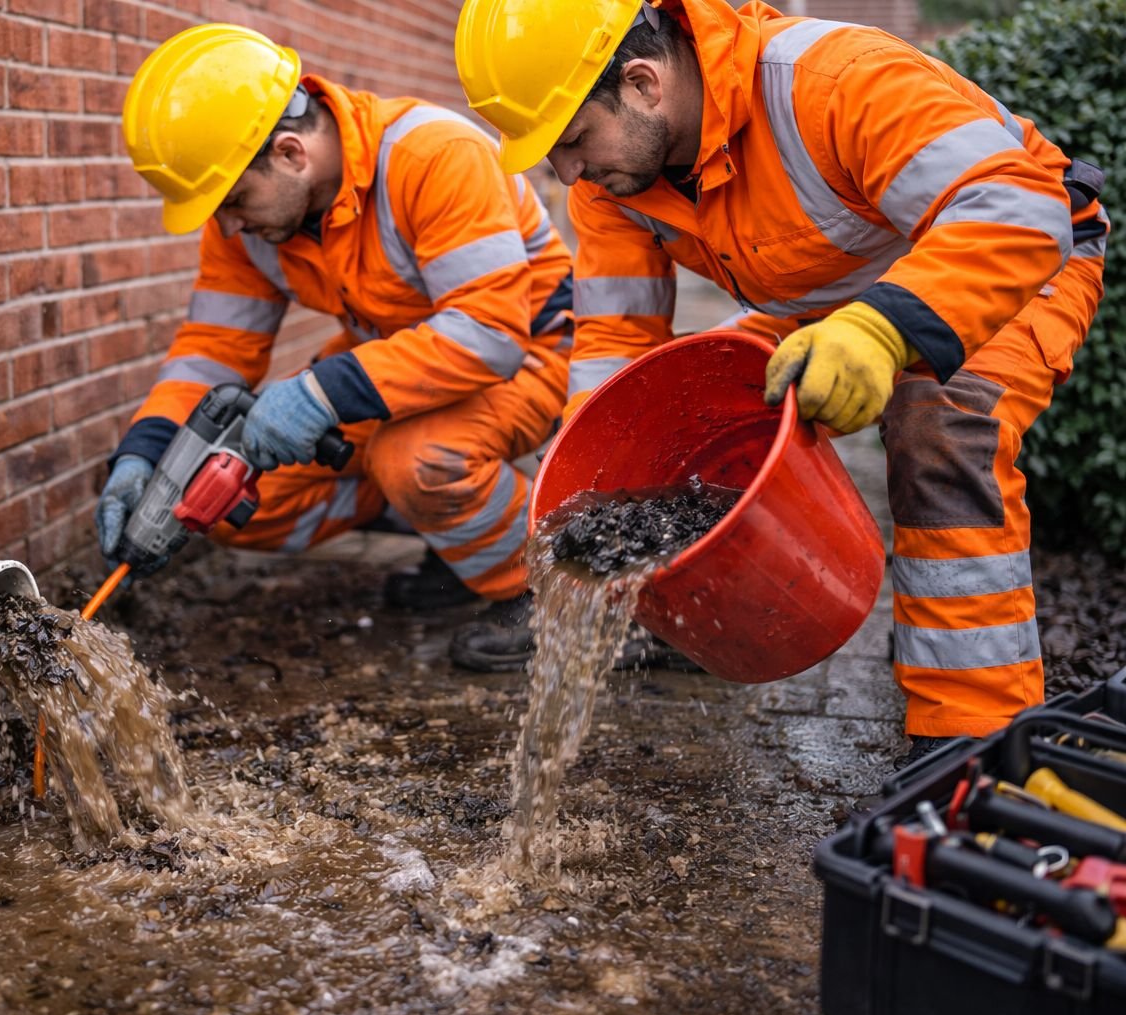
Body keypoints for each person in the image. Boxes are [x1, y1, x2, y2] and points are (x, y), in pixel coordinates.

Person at [455, 0, 1108, 764]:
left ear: (643, 82)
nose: (567, 173)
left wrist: (881, 330)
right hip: (828, 300)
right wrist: (594, 486)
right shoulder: (613, 184)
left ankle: (970, 746)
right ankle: (698, 609)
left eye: (571, 141)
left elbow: (1019, 205)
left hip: (1017, 258)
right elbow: (616, 340)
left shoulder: (833, 81)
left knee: (937, 433)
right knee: (702, 398)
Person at [99, 24, 576, 671]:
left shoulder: (433, 154)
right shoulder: (247, 223)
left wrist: (322, 394)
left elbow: (489, 334)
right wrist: (147, 451)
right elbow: (213, 349)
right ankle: (455, 534)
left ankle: (555, 594)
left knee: (417, 459)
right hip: (393, 366)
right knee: (233, 499)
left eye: (235, 201)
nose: (231, 225)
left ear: (292, 153)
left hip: (531, 356)